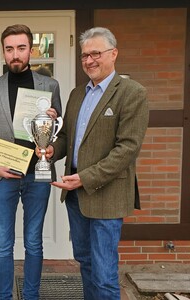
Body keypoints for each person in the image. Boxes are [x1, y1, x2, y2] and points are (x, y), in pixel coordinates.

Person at [41, 27, 149, 299]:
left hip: (106, 194)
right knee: (85, 262)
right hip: (75, 192)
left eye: (95, 53)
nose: (89, 60)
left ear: (113, 54)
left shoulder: (131, 92)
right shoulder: (78, 94)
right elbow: (67, 136)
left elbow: (127, 149)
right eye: (84, 55)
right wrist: (52, 149)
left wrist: (85, 178)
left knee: (104, 274)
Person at [0, 24, 62, 300]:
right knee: (2, 245)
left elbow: (57, 134)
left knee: (33, 242)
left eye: (21, 48)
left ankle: (31, 296)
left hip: (37, 174)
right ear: (4, 52)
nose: (15, 54)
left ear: (31, 50)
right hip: (3, 173)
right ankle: (3, 297)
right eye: (9, 49)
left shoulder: (49, 85)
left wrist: (50, 142)